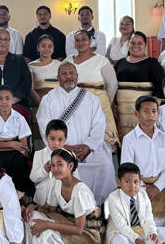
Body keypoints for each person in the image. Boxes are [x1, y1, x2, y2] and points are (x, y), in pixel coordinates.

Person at [36, 62, 117, 204]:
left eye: (71, 73)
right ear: (58, 78)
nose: (68, 77)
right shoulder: (48, 99)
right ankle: (67, 206)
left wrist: (87, 146)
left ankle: (98, 206)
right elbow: (44, 126)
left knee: (105, 165)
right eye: (64, 74)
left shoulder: (90, 98)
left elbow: (99, 125)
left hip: (87, 149)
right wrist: (64, 147)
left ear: (77, 76)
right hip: (60, 149)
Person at [23, 149, 103, 244]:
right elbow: (50, 210)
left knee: (45, 229)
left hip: (87, 234)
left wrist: (47, 225)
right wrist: (33, 207)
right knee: (32, 218)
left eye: (60, 164)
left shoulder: (80, 191)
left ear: (70, 166)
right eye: (53, 165)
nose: (55, 169)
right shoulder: (57, 183)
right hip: (66, 222)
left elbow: (79, 229)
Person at [120, 96, 165, 226]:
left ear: (158, 114)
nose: (151, 115)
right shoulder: (130, 139)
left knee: (157, 223)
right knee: (141, 224)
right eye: (146, 111)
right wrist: (143, 188)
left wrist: (157, 187)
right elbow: (127, 167)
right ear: (137, 114)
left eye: (154, 111)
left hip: (159, 189)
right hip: (137, 187)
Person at [65, 29, 119, 148]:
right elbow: (62, 81)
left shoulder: (102, 60)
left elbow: (112, 84)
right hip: (75, 104)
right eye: (77, 40)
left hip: (99, 102)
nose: (81, 43)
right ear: (74, 44)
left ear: (90, 41)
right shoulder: (68, 60)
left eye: (84, 39)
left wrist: (106, 102)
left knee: (100, 140)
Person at [0, 85, 34, 197]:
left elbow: (23, 146)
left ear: (13, 100)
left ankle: (19, 194)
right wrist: (12, 144)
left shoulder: (19, 118)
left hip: (16, 153)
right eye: (0, 99)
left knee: (19, 162)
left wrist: (1, 146)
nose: (4, 102)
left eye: (7, 98)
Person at [114, 31, 165, 139]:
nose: (135, 46)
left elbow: (160, 88)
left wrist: (150, 110)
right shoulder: (120, 63)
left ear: (145, 45)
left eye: (140, 43)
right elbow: (113, 87)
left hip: (143, 112)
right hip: (121, 113)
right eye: (132, 43)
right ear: (128, 45)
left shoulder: (152, 63)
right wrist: (113, 106)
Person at [30, 120, 80, 206]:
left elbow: (76, 179)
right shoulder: (39, 154)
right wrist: (44, 170)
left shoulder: (70, 156)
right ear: (46, 138)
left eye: (60, 140)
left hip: (61, 200)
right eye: (52, 139)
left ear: (65, 140)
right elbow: (33, 178)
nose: (56, 143)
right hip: (42, 200)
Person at [28, 35, 61, 106]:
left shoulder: (60, 65)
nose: (47, 49)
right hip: (38, 104)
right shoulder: (31, 66)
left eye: (50, 46)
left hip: (58, 104)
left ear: (53, 49)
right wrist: (42, 106)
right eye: (43, 46)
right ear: (38, 48)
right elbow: (31, 90)